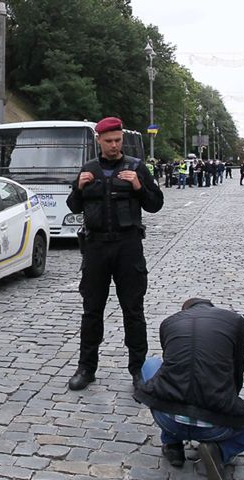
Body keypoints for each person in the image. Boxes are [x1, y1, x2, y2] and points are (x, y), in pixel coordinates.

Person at [66, 117, 164, 391]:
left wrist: (139, 186)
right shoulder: (89, 169)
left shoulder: (136, 167)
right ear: (99, 140)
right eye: (109, 141)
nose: (114, 145)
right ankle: (86, 368)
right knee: (91, 310)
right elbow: (73, 206)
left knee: (133, 310)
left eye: (118, 140)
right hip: (96, 248)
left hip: (128, 247)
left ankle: (139, 370)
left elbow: (155, 204)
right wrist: (79, 187)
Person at [134, 298, 244, 480]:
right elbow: (236, 371)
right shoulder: (234, 320)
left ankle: (172, 445)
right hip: (215, 426)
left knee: (151, 365)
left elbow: (170, 370)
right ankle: (220, 451)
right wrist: (228, 403)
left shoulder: (169, 322)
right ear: (211, 308)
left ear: (184, 311)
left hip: (168, 419)